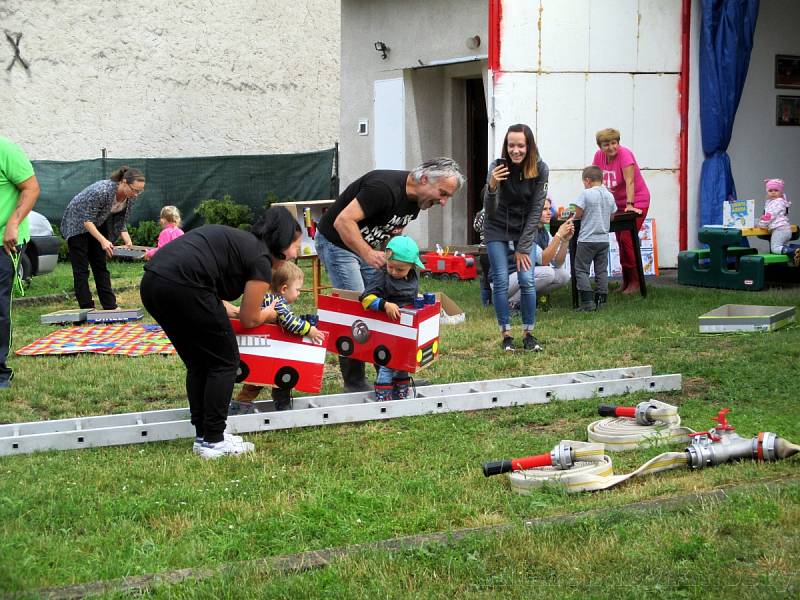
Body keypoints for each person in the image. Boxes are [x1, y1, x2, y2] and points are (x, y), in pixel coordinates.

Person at [139, 206, 301, 460]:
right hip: (183, 286)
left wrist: (235, 312)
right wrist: (268, 315)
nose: (297, 250)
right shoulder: (261, 259)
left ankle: (205, 435)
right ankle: (213, 440)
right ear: (281, 241)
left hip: (154, 283)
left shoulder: (244, 244)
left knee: (199, 363)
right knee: (224, 362)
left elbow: (219, 299)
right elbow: (250, 319)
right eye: (295, 242)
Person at [315, 157, 464, 392]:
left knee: (384, 304)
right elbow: (342, 222)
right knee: (357, 306)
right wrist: (367, 253)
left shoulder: (417, 201)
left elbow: (393, 231)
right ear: (425, 179)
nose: (444, 202)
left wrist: (392, 256)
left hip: (368, 247)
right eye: (443, 193)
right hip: (338, 244)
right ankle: (354, 382)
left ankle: (389, 374)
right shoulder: (383, 189)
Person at [483, 123, 548, 352]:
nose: (516, 150)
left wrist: (523, 246)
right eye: (511, 145)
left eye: (520, 145)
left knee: (527, 280)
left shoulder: (540, 169)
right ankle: (506, 334)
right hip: (496, 226)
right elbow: (489, 212)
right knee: (500, 280)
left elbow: (536, 209)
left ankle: (529, 333)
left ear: (529, 146)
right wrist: (491, 186)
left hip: (524, 228)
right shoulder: (497, 167)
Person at [231, 260, 325, 413]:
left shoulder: (264, 297)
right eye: (298, 290)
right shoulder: (277, 303)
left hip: (262, 347)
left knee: (257, 379)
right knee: (277, 379)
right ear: (284, 289)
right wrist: (309, 329)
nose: (299, 293)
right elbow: (290, 322)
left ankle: (242, 402)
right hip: (271, 349)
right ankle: (280, 405)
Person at [61, 166, 144, 310]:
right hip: (77, 223)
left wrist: (128, 241)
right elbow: (87, 220)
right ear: (124, 182)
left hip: (97, 223)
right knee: (81, 268)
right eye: (135, 190)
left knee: (100, 265)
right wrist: (103, 240)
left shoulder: (129, 197)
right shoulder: (102, 191)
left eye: (139, 191)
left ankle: (110, 306)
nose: (136, 194)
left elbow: (120, 221)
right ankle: (86, 307)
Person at [359, 236, 424, 401]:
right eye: (390, 266)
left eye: (400, 270)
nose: (394, 272)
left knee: (403, 360)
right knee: (388, 362)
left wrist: (417, 298)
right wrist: (385, 304)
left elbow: (409, 293)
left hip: (407, 328)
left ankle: (401, 390)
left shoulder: (412, 275)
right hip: (388, 328)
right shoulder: (382, 277)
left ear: (412, 266)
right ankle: (383, 394)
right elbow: (365, 299)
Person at [0, 137, 40, 389]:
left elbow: (31, 188)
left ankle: (0, 373)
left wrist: (13, 222)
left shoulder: (6, 149)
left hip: (4, 241)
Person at [592, 128, 650, 295]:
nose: (611, 147)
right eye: (606, 144)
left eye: (614, 143)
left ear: (618, 142)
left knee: (627, 238)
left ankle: (636, 281)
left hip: (637, 200)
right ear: (600, 146)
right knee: (620, 239)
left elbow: (630, 181)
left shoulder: (625, 154)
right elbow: (596, 181)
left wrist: (630, 204)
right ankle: (627, 281)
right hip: (616, 203)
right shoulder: (598, 157)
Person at [506, 197, 574, 311]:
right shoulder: (526, 230)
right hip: (506, 280)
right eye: (544, 209)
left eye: (550, 209)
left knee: (564, 276)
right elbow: (544, 260)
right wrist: (558, 235)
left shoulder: (544, 232)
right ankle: (512, 303)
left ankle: (528, 300)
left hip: (523, 277)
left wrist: (565, 240)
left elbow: (557, 263)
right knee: (548, 273)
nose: (549, 213)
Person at [572, 166, 617, 311]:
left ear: (587, 180)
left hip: (587, 239)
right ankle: (601, 300)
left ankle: (587, 302)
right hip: (603, 239)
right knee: (601, 270)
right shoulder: (610, 195)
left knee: (581, 269)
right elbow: (612, 215)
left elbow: (578, 214)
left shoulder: (586, 194)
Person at [758, 178, 799, 265]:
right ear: (767, 192)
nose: (773, 192)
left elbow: (770, 216)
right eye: (770, 190)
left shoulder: (777, 202)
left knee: (775, 248)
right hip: (785, 229)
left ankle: (795, 251)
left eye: (776, 190)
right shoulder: (778, 201)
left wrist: (761, 224)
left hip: (779, 230)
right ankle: (795, 251)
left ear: (780, 192)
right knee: (783, 248)